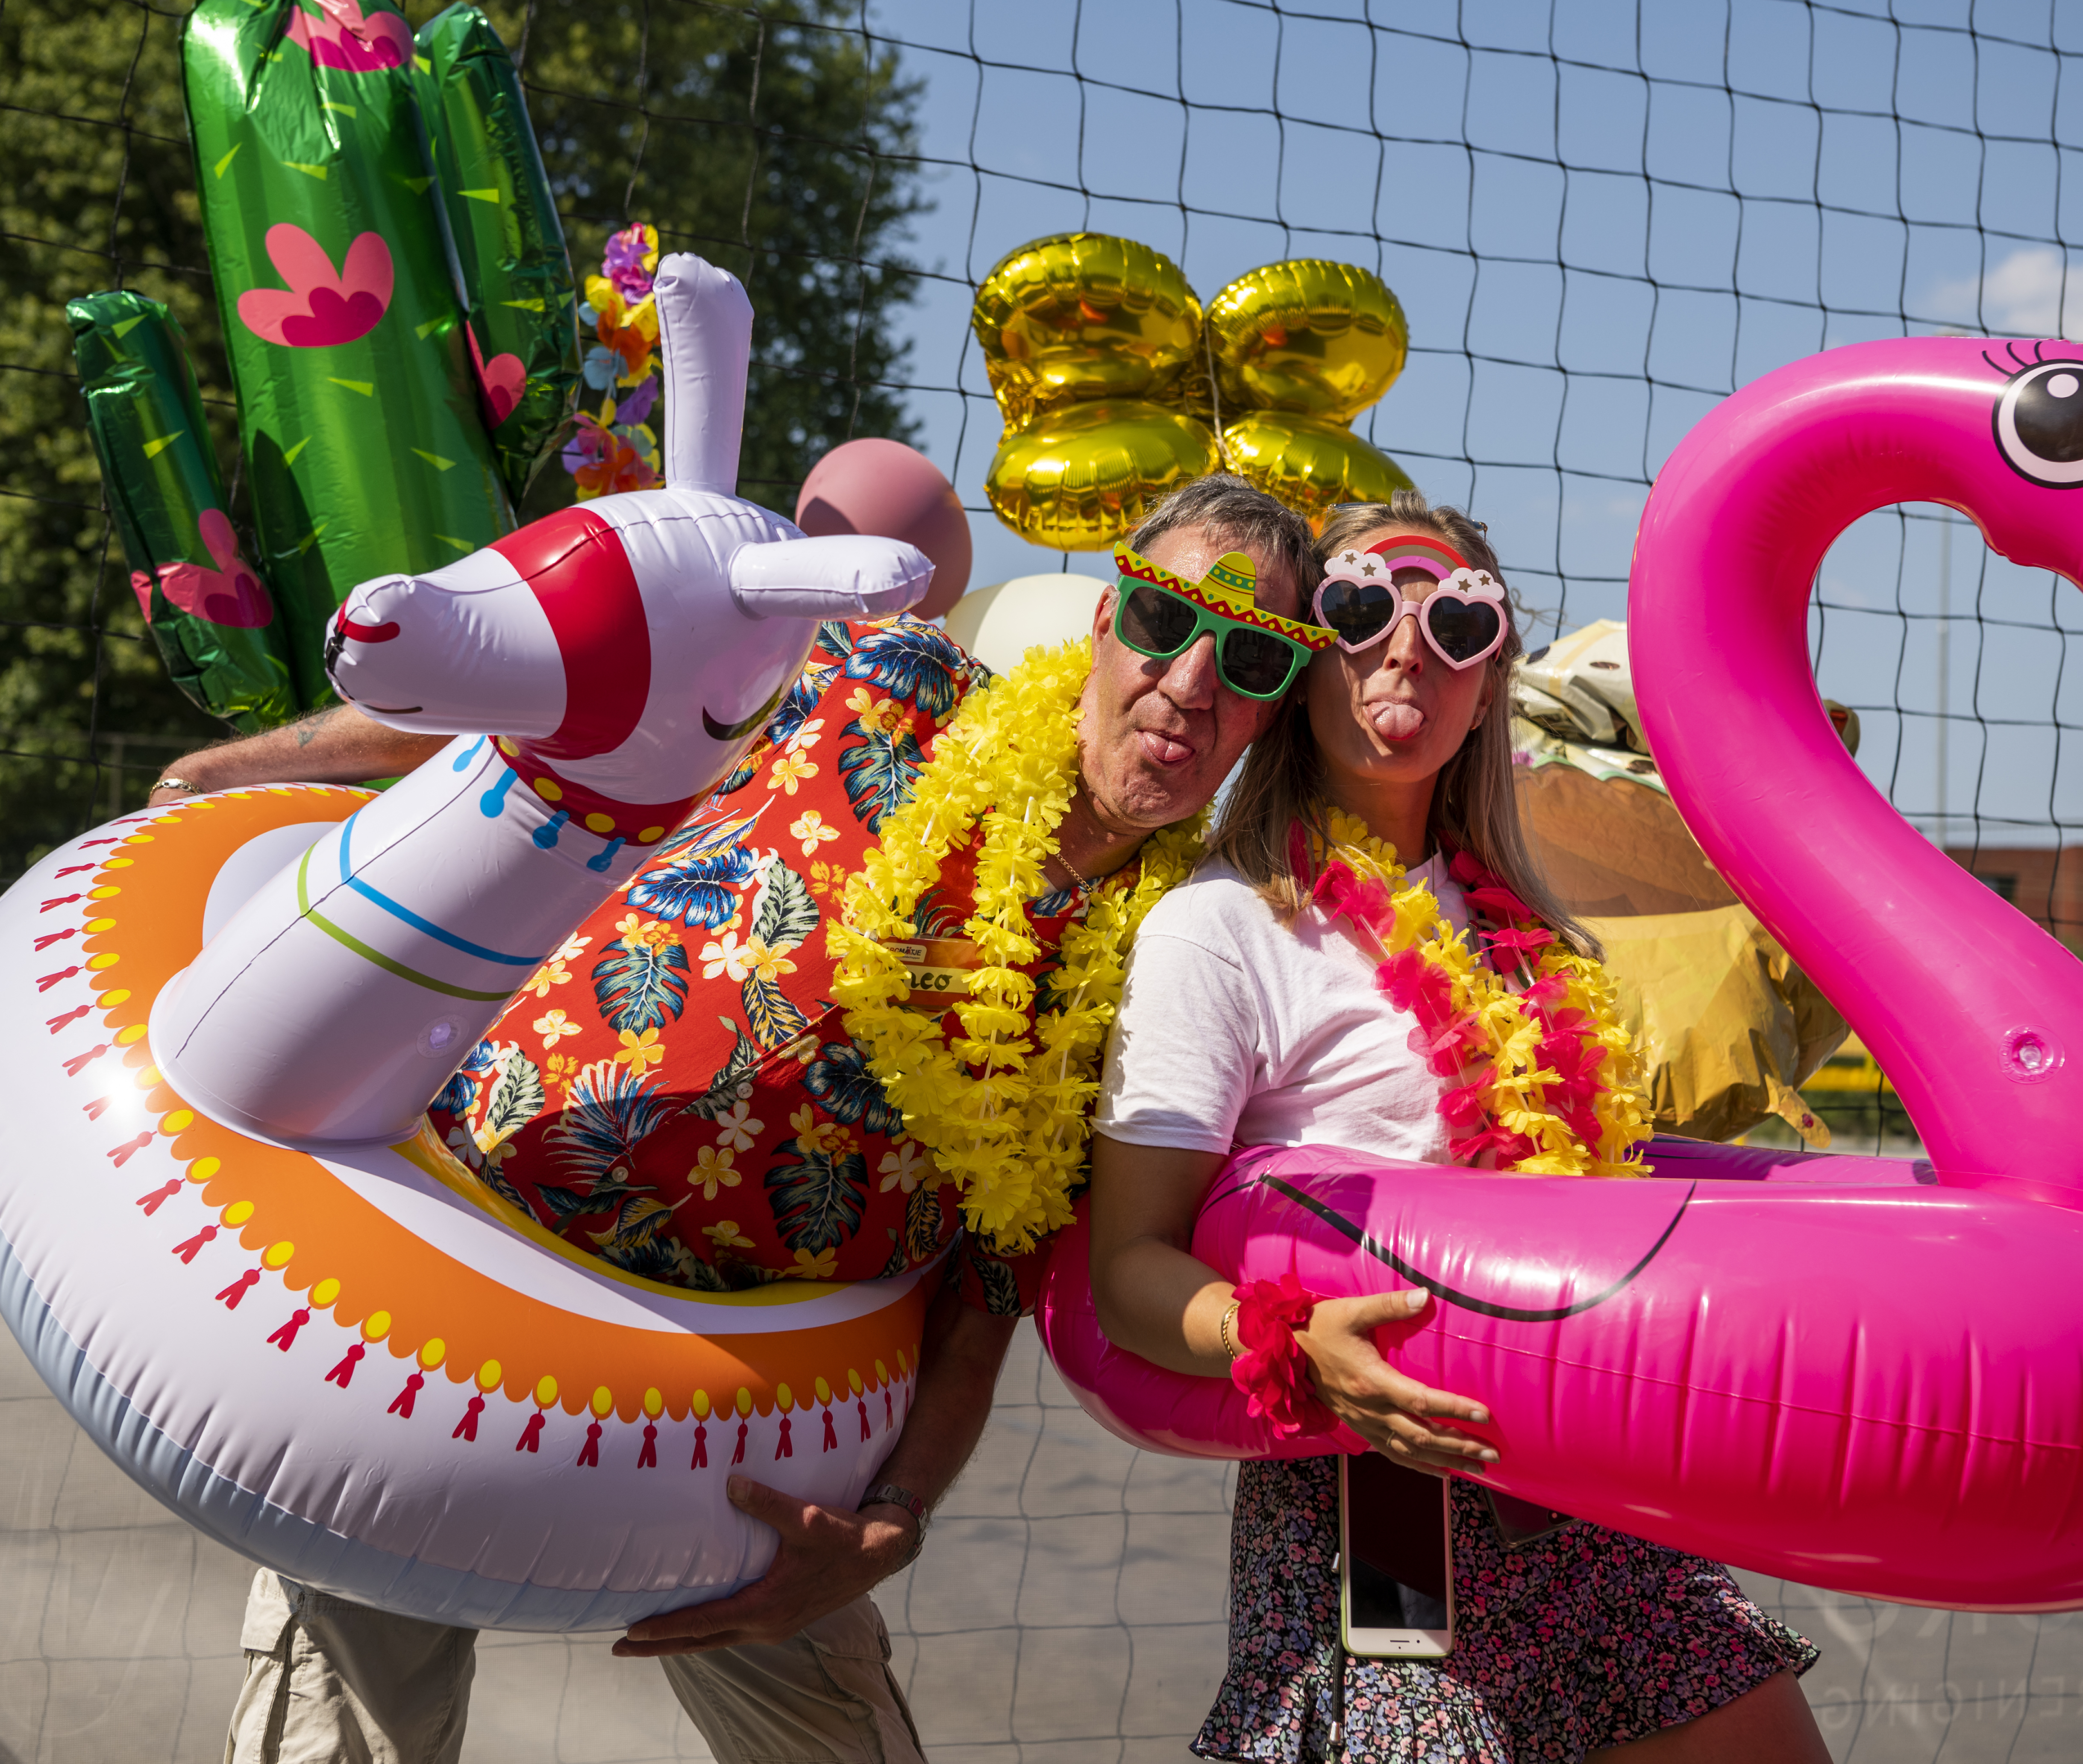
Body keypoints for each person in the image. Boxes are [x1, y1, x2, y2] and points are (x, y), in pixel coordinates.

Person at [151, 474, 1316, 1764]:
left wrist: (897, 1521)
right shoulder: (892, 683)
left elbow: (995, 1279)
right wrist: (234, 774)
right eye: (1167, 622)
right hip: (444, 1279)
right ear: (1106, 619)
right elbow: (557, 716)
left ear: (1272, 708)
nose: (1195, 682)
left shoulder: (1169, 955)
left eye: (1254, 658)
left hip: (753, 1424)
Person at [1089, 491, 1828, 1762]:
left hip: (1592, 1498)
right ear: (1310, 657)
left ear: (1491, 688)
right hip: (1380, 1530)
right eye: (1363, 606)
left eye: (1461, 625)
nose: (1406, 650)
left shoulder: (1534, 942)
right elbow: (1128, 1273)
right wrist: (1288, 1345)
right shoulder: (1222, 929)